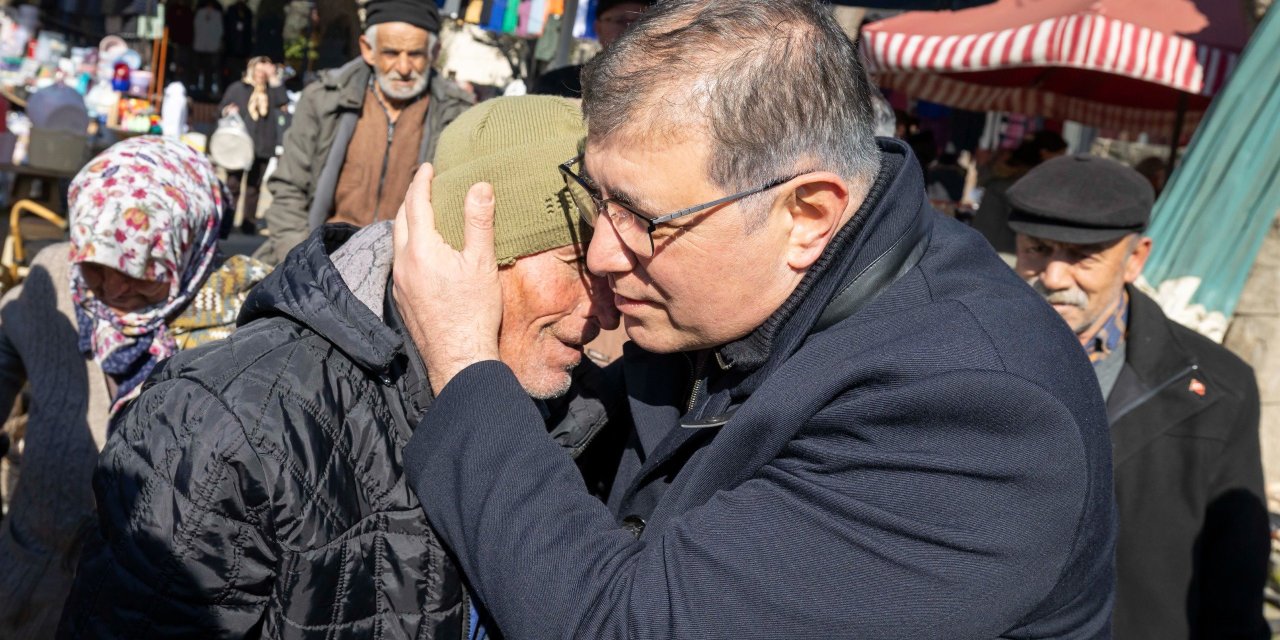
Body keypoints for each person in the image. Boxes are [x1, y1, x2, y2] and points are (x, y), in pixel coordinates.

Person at [390, 1, 1115, 637]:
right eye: (594, 194)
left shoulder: (971, 417)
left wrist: (463, 364)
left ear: (808, 215)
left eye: (641, 217)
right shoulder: (746, 295)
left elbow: (622, 623)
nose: (604, 253)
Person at [58, 97, 623, 640]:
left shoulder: (584, 410)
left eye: (618, 273)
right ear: (463, 250)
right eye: (577, 264)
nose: (603, 309)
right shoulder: (227, 427)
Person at [0, 135, 269, 640]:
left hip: (129, 616)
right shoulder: (56, 277)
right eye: (97, 266)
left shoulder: (232, 331)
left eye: (143, 270)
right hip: (23, 580)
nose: (116, 290)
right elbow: (7, 345)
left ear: (189, 248)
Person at [1007, 154, 1270, 640]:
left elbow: (1235, 573)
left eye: (1084, 257)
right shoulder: (958, 354)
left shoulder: (1218, 387)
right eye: (1038, 249)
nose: (1055, 277)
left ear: (1136, 259)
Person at [254, 0, 473, 266]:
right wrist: (306, 267)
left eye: (415, 54)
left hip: (404, 277)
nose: (403, 68)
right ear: (368, 50)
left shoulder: (457, 115)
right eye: (391, 53)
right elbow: (289, 191)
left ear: (434, 52)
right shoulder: (323, 100)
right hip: (320, 263)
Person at [219, 56, 290, 235]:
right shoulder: (238, 88)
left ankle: (248, 223)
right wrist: (227, 110)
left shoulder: (272, 91)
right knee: (232, 185)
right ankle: (226, 223)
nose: (260, 75)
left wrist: (273, 78)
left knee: (254, 188)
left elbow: (283, 102)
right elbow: (220, 109)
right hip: (238, 145)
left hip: (263, 145)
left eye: (263, 72)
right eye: (257, 71)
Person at [531, 0, 652, 97]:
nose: (630, 28)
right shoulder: (556, 85)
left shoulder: (663, 87)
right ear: (598, 28)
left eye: (641, 22)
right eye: (619, 20)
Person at [973, 130, 1067, 255]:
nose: (1063, 161)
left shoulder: (1007, 172)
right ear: (1044, 153)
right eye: (1060, 154)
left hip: (985, 244)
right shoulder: (1024, 181)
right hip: (1001, 250)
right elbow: (1022, 220)